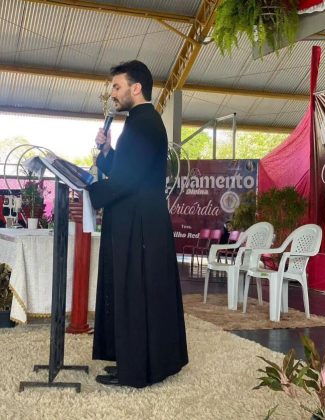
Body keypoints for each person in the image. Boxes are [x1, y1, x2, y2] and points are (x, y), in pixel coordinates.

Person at [87, 60, 188, 388]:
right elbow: (125, 169)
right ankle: (132, 360)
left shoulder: (143, 123)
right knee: (134, 292)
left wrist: (89, 189)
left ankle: (138, 369)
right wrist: (106, 152)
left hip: (140, 225)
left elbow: (127, 180)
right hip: (138, 220)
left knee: (136, 292)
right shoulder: (139, 122)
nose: (113, 93)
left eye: (117, 87)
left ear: (136, 88)